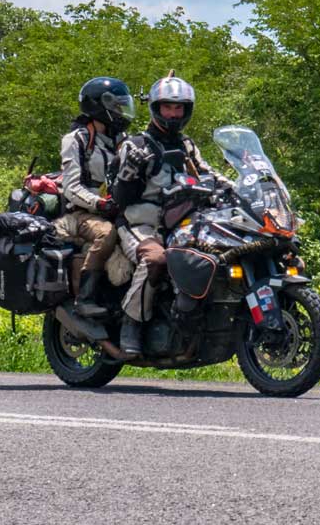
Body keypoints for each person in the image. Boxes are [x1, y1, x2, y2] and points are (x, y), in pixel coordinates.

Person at [111, 72, 233, 356]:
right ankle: (131, 322)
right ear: (156, 108)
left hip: (182, 222)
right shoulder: (136, 145)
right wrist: (130, 171)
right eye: (168, 107)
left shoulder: (186, 145)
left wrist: (238, 187)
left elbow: (208, 174)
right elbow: (119, 197)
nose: (174, 114)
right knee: (156, 260)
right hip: (141, 223)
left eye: (179, 108)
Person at [57, 77, 134, 318]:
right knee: (106, 233)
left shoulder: (123, 140)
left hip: (117, 208)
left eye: (122, 104)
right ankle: (85, 298)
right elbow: (71, 187)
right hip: (80, 213)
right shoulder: (76, 139)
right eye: (115, 105)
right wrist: (98, 203)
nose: (120, 110)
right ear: (99, 106)